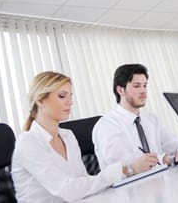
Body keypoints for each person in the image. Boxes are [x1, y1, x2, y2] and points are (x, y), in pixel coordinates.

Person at [12, 72, 130, 202]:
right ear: (40, 100)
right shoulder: (28, 143)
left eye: (70, 96)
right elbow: (67, 190)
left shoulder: (68, 136)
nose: (70, 102)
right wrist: (114, 174)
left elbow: (83, 184)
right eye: (62, 96)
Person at [92, 64, 178, 174]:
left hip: (160, 180)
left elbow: (172, 143)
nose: (143, 91)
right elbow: (125, 168)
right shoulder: (106, 125)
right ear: (121, 90)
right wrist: (167, 158)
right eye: (137, 86)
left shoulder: (151, 119)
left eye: (145, 85)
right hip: (129, 189)